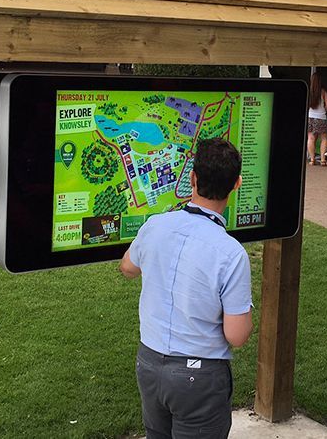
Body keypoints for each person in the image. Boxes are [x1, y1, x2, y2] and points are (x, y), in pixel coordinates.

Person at [119, 137, 253, 439]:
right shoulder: (231, 253)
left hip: (149, 364)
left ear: (192, 178)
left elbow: (127, 267)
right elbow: (237, 335)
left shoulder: (155, 225)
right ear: (237, 184)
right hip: (200, 376)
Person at [306, 73, 327, 166]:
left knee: (311, 138)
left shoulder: (308, 91)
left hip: (310, 117)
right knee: (324, 138)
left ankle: (312, 160)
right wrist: (324, 110)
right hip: (321, 117)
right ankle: (323, 160)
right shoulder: (323, 91)